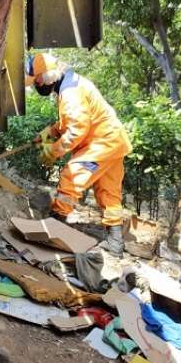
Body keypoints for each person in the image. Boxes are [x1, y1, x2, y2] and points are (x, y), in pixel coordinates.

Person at [25, 53, 132, 257]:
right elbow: (69, 123)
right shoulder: (71, 84)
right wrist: (48, 134)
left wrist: (52, 152)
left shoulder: (70, 92)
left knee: (71, 177)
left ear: (47, 76)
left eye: (37, 80)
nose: (36, 85)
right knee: (109, 193)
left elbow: (76, 130)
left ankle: (54, 225)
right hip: (113, 141)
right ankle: (116, 243)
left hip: (101, 143)